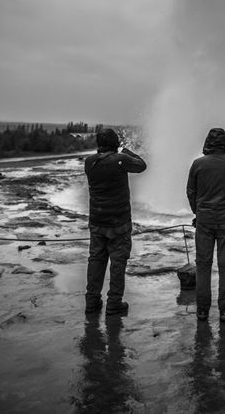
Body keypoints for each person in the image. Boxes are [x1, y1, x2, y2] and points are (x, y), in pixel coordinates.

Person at [84, 127, 147, 316]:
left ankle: (92, 301)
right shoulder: (121, 160)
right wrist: (127, 151)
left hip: (97, 221)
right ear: (115, 144)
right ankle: (114, 303)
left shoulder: (89, 162)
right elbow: (142, 165)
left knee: (96, 260)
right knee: (118, 262)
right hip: (119, 222)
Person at [186, 127, 225, 323]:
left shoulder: (197, 164)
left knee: (203, 265)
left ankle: (202, 310)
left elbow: (190, 191)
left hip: (204, 220)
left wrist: (198, 211)